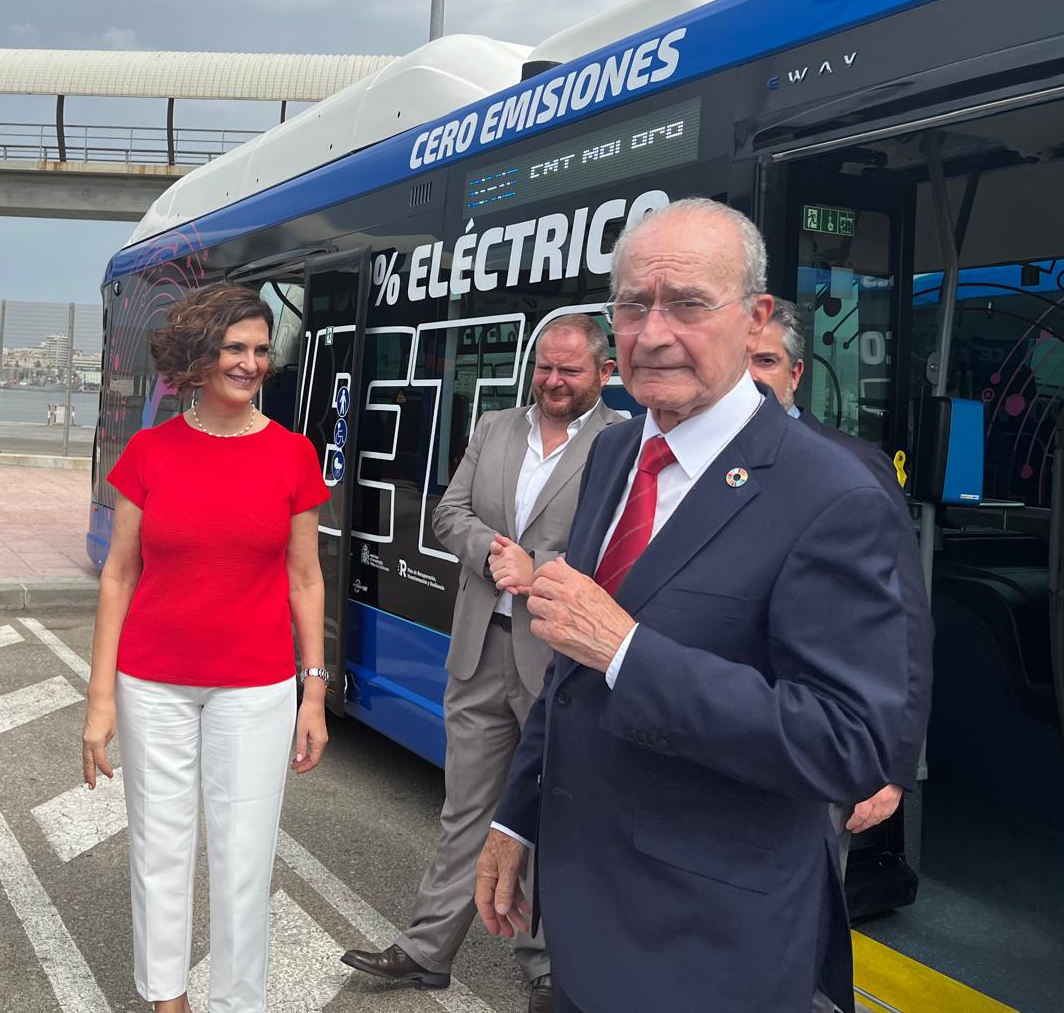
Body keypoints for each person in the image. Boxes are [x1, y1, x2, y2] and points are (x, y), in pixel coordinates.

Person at [476, 199, 919, 1013]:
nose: (652, 333)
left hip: (708, 950)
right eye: (634, 305)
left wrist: (628, 651)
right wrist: (518, 816)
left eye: (686, 304)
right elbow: (572, 664)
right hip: (581, 915)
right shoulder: (616, 450)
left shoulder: (833, 495)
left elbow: (846, 744)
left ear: (755, 321)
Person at [342, 315, 621, 1012]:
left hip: (558, 662)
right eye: (545, 368)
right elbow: (448, 512)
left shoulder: (625, 445)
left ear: (604, 374)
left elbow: (620, 549)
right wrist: (491, 554)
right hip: (477, 650)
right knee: (465, 808)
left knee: (552, 816)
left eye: (571, 371)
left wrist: (541, 568)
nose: (554, 382)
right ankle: (427, 949)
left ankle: (547, 965)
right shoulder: (496, 426)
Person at [84, 283, 331, 1013]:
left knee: (244, 860)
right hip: (151, 683)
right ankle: (167, 999)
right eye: (235, 348)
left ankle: (237, 1004)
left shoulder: (291, 454)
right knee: (160, 850)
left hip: (255, 687)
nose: (251, 363)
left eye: (260, 350)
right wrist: (99, 701)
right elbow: (118, 576)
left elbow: (306, 579)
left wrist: (311, 692)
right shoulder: (150, 451)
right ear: (201, 355)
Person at [751, 298, 935, 1010]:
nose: (754, 378)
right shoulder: (690, 459)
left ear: (796, 373)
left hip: (816, 747)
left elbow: (906, 628)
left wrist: (890, 764)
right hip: (713, 734)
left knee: (805, 928)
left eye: (766, 361)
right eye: (741, 361)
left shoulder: (853, 468)